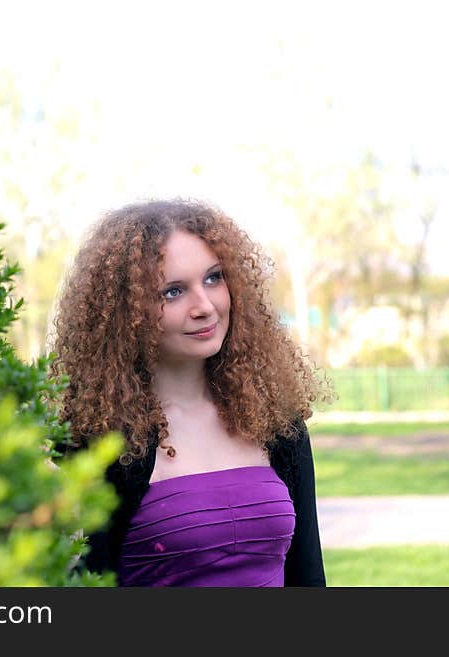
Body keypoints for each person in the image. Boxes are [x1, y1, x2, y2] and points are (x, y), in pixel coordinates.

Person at [49, 198, 331, 587]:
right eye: (173, 292)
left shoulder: (275, 421)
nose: (204, 306)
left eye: (213, 278)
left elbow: (308, 575)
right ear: (124, 312)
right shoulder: (99, 439)